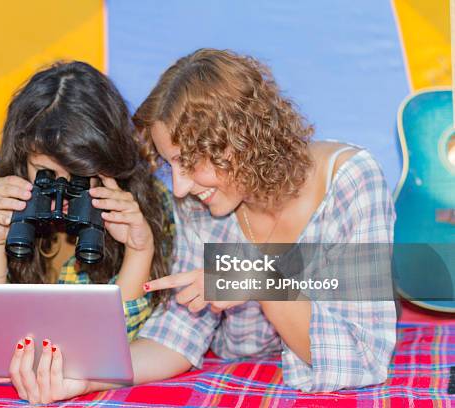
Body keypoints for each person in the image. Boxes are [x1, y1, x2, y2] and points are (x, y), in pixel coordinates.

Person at [133, 48, 397, 392]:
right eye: (172, 166)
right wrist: (82, 378)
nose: (180, 189)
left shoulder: (350, 182)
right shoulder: (202, 206)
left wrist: (260, 280)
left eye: (189, 161)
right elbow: (177, 334)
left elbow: (364, 358)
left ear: (239, 140)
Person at [0, 61, 175, 404]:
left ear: (109, 163)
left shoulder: (150, 203)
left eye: (78, 175)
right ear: (22, 156)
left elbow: (118, 354)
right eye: (45, 173)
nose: (61, 194)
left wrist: (138, 251)